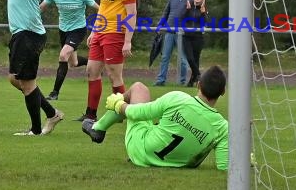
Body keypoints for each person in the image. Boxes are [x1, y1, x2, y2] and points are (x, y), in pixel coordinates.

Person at [82, 65, 228, 170]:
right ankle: (100, 128)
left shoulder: (177, 98)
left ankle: (98, 127)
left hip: (141, 152)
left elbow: (138, 113)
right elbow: (224, 166)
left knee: (139, 88)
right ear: (222, 92)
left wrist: (118, 104)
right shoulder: (223, 127)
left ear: (198, 85)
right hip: (176, 164)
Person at [4, 0, 64, 136]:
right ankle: (52, 113)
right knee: (14, 79)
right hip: (20, 34)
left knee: (27, 83)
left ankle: (36, 131)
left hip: (29, 34)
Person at [77, 0, 137, 121]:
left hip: (116, 32)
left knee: (113, 75)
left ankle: (123, 114)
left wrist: (128, 41)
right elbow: (103, 8)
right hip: (101, 31)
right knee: (91, 70)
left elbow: (132, 13)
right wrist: (94, 30)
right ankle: (90, 114)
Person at [40, 0, 100, 100]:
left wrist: (98, 27)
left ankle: (54, 93)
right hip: (63, 30)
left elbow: (99, 9)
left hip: (78, 29)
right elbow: (42, 7)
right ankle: (94, 61)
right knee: (73, 63)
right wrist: (30, 18)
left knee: (63, 55)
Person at [154, 0, 193, 86]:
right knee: (165, 57)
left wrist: (190, 9)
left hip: (182, 33)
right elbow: (166, 12)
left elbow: (194, 17)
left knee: (182, 60)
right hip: (169, 31)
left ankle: (182, 82)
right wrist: (160, 25)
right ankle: (160, 81)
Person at [182, 0, 209, 87]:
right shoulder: (188, 6)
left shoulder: (203, 8)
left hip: (198, 37)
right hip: (187, 37)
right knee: (190, 58)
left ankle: (191, 82)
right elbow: (182, 19)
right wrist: (187, 10)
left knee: (196, 60)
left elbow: (205, 23)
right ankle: (199, 75)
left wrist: (202, 13)